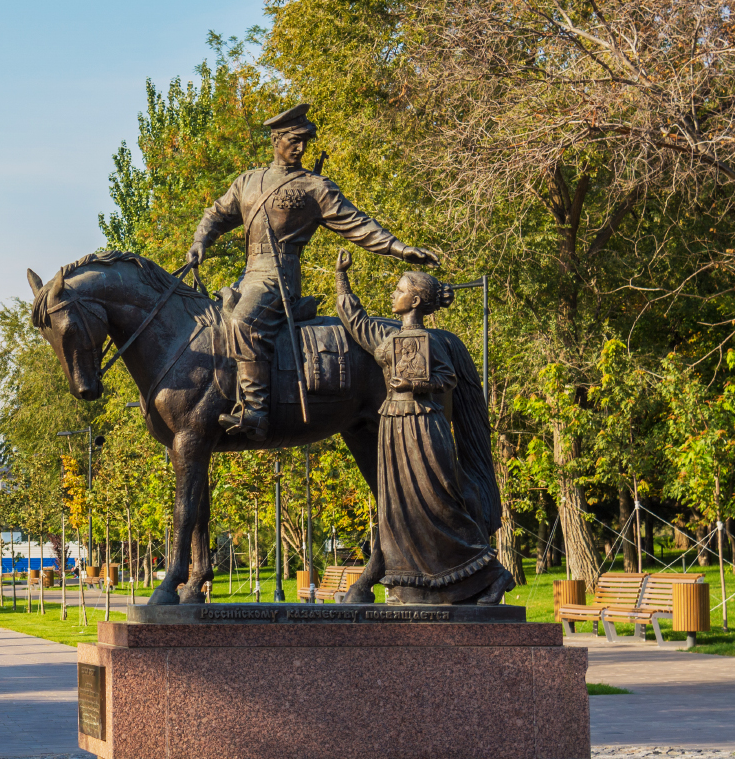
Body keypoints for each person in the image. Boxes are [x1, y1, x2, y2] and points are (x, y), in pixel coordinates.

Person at [185, 103, 438, 441]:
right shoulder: (248, 181)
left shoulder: (313, 187)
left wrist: (399, 248)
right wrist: (200, 241)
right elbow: (216, 214)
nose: (301, 147)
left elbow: (358, 224)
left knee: (242, 321)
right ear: (276, 140)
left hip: (279, 278)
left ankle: (256, 411)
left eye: (305, 141)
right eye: (295, 140)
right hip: (248, 276)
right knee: (212, 321)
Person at [333, 249, 514, 605]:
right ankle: (419, 583)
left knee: (438, 502)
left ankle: (494, 575)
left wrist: (415, 385)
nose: (393, 295)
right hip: (392, 428)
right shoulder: (386, 340)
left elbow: (447, 378)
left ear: (415, 300)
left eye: (399, 290)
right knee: (399, 507)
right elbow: (355, 320)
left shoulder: (431, 342)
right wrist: (341, 277)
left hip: (424, 427)